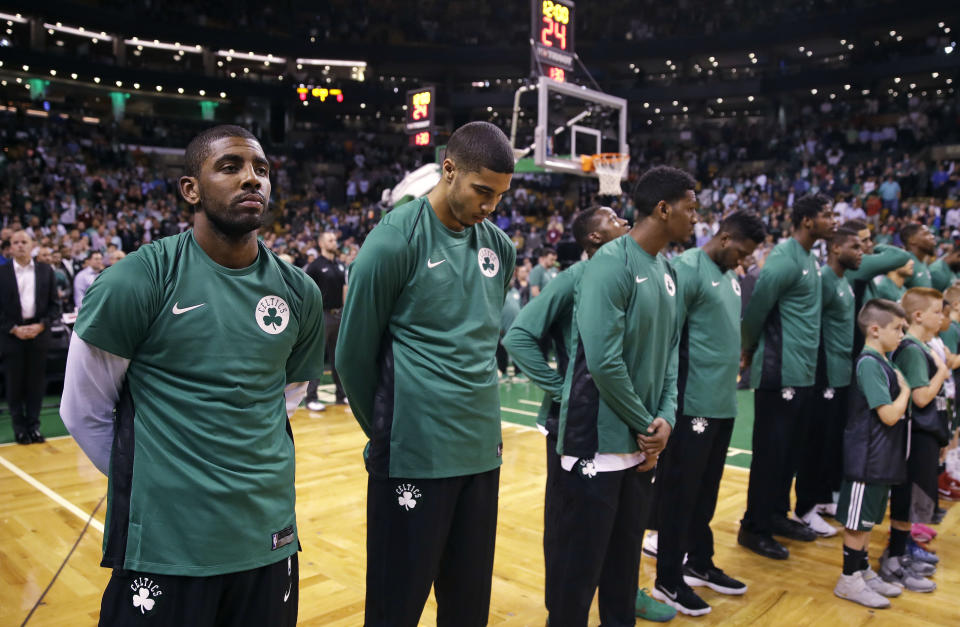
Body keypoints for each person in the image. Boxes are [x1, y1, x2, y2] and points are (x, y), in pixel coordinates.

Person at [60, 125, 327, 626]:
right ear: (191, 189)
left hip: (267, 538)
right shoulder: (136, 280)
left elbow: (283, 398)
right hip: (167, 545)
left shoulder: (300, 293)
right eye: (230, 167)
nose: (252, 180)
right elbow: (83, 410)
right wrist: (160, 485)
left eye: (262, 170)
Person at [335, 121, 516, 626]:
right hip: (414, 457)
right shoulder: (393, 240)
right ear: (449, 169)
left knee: (467, 604)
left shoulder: (499, 248)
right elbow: (352, 356)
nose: (491, 205)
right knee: (397, 605)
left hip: (481, 455)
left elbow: (479, 342)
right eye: (483, 190)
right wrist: (390, 431)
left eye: (500, 195)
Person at [503, 208, 671, 620]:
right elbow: (519, 336)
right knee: (574, 535)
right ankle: (563, 610)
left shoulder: (643, 271)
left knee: (623, 534)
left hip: (628, 425)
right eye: (613, 219)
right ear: (594, 238)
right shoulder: (575, 278)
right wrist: (562, 389)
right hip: (577, 429)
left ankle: (624, 596)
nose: (625, 221)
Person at [547, 166, 697, 626]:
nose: (697, 217)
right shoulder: (609, 264)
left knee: (622, 575)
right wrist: (644, 424)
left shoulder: (668, 271)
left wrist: (665, 420)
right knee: (577, 581)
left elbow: (671, 355)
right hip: (596, 441)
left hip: (640, 445)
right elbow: (603, 361)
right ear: (663, 208)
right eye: (690, 208)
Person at [651, 211, 766, 616]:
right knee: (680, 494)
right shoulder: (687, 268)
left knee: (706, 492)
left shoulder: (731, 278)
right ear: (725, 236)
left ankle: (699, 561)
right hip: (692, 403)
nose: (743, 261)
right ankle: (667, 578)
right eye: (742, 251)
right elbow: (666, 337)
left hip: (722, 402)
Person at [739, 193, 836, 560]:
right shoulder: (782, 258)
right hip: (778, 373)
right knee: (770, 455)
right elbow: (756, 310)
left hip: (803, 373)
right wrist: (747, 350)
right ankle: (754, 527)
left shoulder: (811, 258)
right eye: (827, 214)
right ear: (807, 221)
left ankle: (777, 515)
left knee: (790, 454)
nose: (834, 220)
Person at [833, 299, 910, 608]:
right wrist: (905, 390)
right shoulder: (868, 363)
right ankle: (848, 580)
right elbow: (889, 415)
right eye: (897, 329)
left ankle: (861, 569)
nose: (902, 335)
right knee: (856, 523)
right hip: (866, 458)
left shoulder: (883, 360)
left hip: (880, 457)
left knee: (866, 521)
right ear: (875, 330)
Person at [795, 228, 864, 537]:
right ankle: (804, 509)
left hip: (841, 373)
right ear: (836, 248)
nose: (862, 251)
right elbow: (812, 325)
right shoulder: (823, 278)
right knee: (815, 442)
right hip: (823, 371)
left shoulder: (844, 281)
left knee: (830, 441)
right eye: (856, 246)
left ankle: (822, 499)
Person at [883, 287, 946, 592]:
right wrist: (942, 373)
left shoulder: (920, 345)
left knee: (912, 501)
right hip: (915, 435)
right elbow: (921, 397)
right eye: (937, 311)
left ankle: (902, 550)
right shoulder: (911, 349)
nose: (942, 317)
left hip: (925, 434)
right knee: (906, 499)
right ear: (918, 315)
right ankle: (895, 557)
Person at [0, 230, 59, 444]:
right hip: (11, 336)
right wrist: (14, 329)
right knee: (14, 385)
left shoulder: (46, 271)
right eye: (15, 242)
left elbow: (55, 307)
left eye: (24, 242)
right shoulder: (2, 272)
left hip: (38, 334)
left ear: (32, 244)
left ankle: (34, 427)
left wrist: (41, 326)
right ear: (10, 247)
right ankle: (19, 429)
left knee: (36, 385)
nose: (20, 245)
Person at [304, 231, 348, 411]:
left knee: (339, 358)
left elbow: (345, 289)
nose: (334, 242)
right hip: (322, 315)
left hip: (339, 315)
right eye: (330, 240)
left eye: (335, 239)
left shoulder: (339, 265)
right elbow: (306, 291)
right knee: (317, 358)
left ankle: (341, 395)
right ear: (321, 243)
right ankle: (311, 398)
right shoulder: (315, 266)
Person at [901, 223, 936, 288]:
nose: (932, 237)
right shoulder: (905, 263)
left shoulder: (922, 261)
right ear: (912, 240)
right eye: (926, 234)